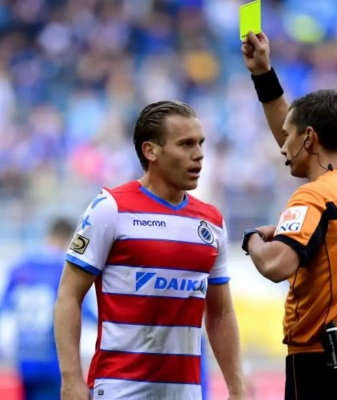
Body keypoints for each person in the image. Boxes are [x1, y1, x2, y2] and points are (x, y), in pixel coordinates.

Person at [54, 100, 246, 400]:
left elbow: (220, 313)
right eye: (186, 144)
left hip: (186, 394)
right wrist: (71, 378)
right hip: (119, 390)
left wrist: (236, 388)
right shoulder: (111, 209)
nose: (199, 154)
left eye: (200, 143)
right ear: (151, 151)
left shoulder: (211, 222)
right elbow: (69, 294)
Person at [240, 31, 337, 399]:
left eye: (288, 137)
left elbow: (275, 265)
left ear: (308, 138)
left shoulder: (312, 197)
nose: (282, 148)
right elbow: (302, 146)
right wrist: (263, 74)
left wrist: (252, 239)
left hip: (321, 365)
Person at [0, 218, 96, 400]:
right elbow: (81, 308)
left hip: (25, 359)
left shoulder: (21, 266)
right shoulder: (64, 269)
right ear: (67, 239)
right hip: (53, 360)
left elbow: (0, 309)